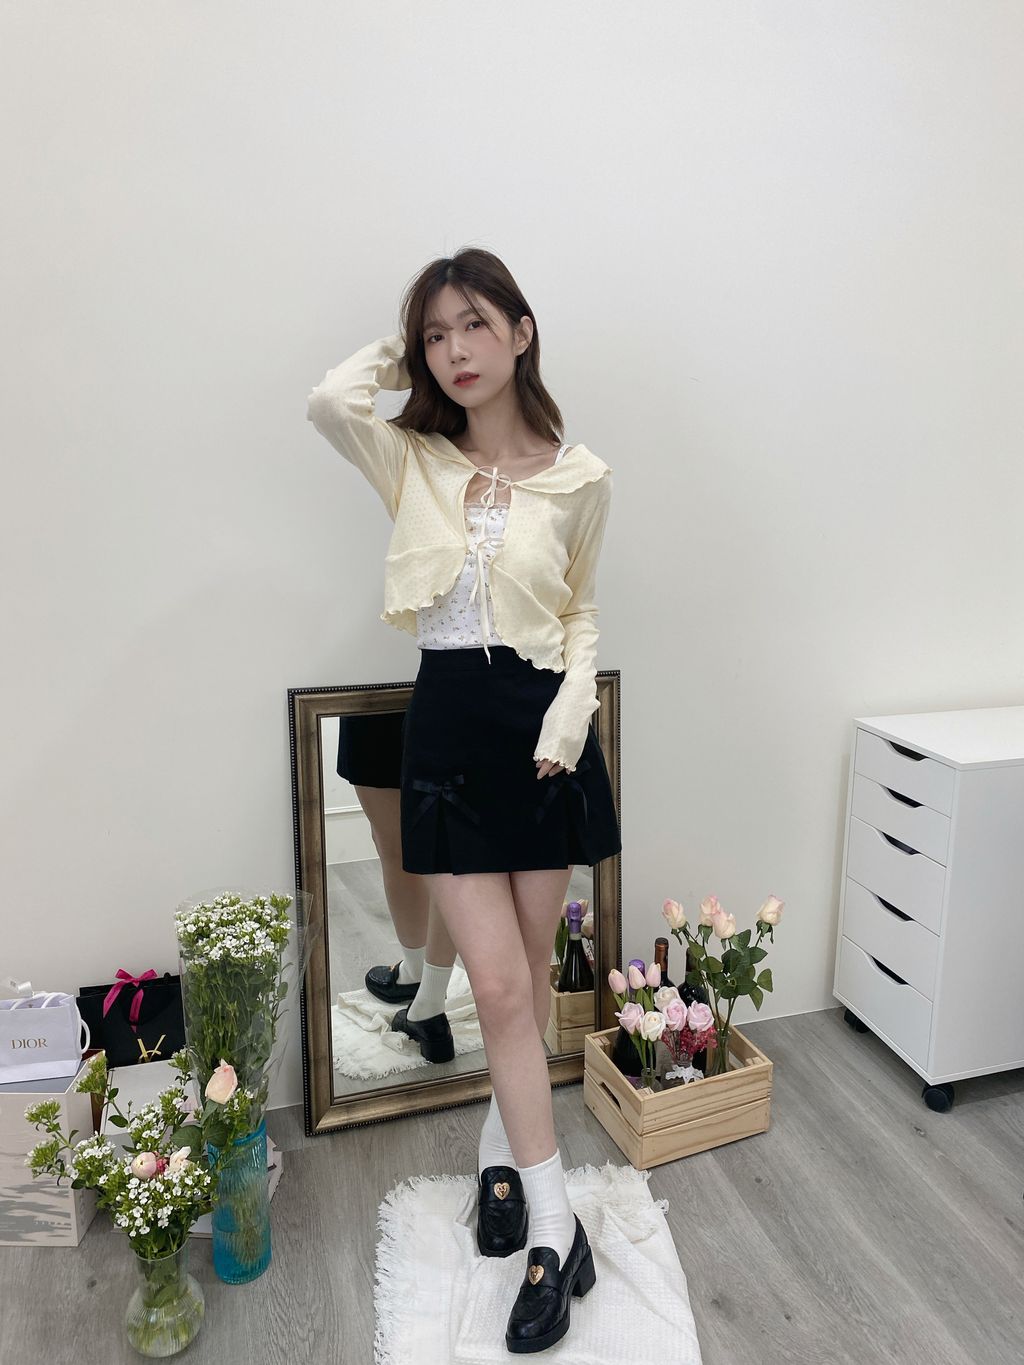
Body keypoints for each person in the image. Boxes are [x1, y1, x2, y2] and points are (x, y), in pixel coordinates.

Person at [307, 247, 621, 1355]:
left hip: (541, 736)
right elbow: (327, 401)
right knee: (494, 986)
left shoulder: (580, 476)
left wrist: (573, 708)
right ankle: (556, 1228)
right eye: (437, 334)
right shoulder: (413, 458)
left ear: (522, 332)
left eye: (476, 324)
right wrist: (404, 355)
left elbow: (580, 609)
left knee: (521, 981)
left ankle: (501, 1159)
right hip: (446, 726)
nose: (456, 350)